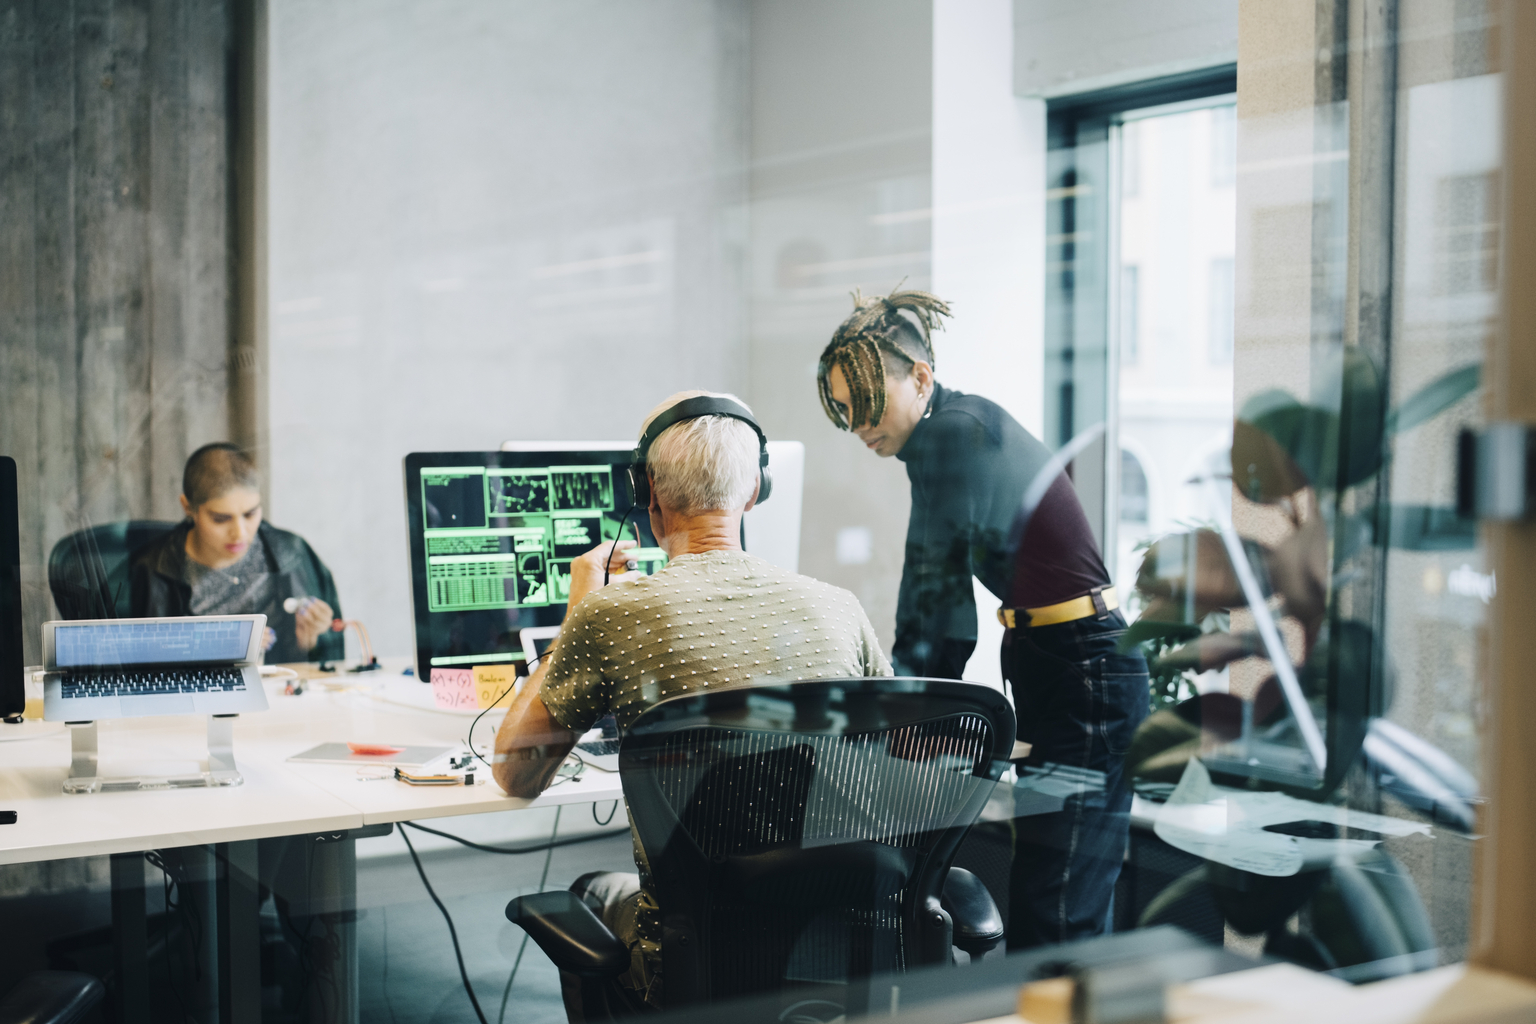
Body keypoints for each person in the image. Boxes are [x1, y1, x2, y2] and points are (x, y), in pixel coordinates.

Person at [492, 390, 891, 1011]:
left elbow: (516, 774)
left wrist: (577, 615)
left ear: (647, 493)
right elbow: (892, 762)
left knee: (594, 889)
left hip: (693, 960)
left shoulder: (611, 614)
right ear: (756, 491)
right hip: (846, 948)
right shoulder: (841, 608)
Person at [814, 288, 1149, 949]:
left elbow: (936, 602)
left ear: (920, 376)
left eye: (867, 403)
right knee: (1063, 902)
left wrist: (902, 718)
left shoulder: (952, 435)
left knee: (1057, 915)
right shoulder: (959, 426)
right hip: (1070, 665)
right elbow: (938, 598)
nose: (859, 425)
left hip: (1084, 671)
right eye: (845, 413)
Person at [128, 443, 343, 664]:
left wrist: (310, 644)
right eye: (221, 519)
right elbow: (131, 664)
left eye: (250, 514)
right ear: (188, 507)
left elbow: (331, 663)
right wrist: (207, 649)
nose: (239, 534)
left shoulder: (292, 553)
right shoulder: (151, 571)